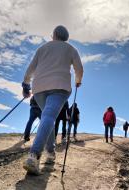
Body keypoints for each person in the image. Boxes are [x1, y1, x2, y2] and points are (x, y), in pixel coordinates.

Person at [22, 25, 83, 175]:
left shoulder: (42, 48)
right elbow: (79, 68)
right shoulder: (71, 49)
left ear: (54, 34)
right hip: (60, 87)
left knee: (46, 118)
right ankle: (34, 156)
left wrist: (26, 85)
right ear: (66, 37)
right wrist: (78, 80)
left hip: (39, 88)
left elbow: (30, 68)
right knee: (49, 117)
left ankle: (50, 153)